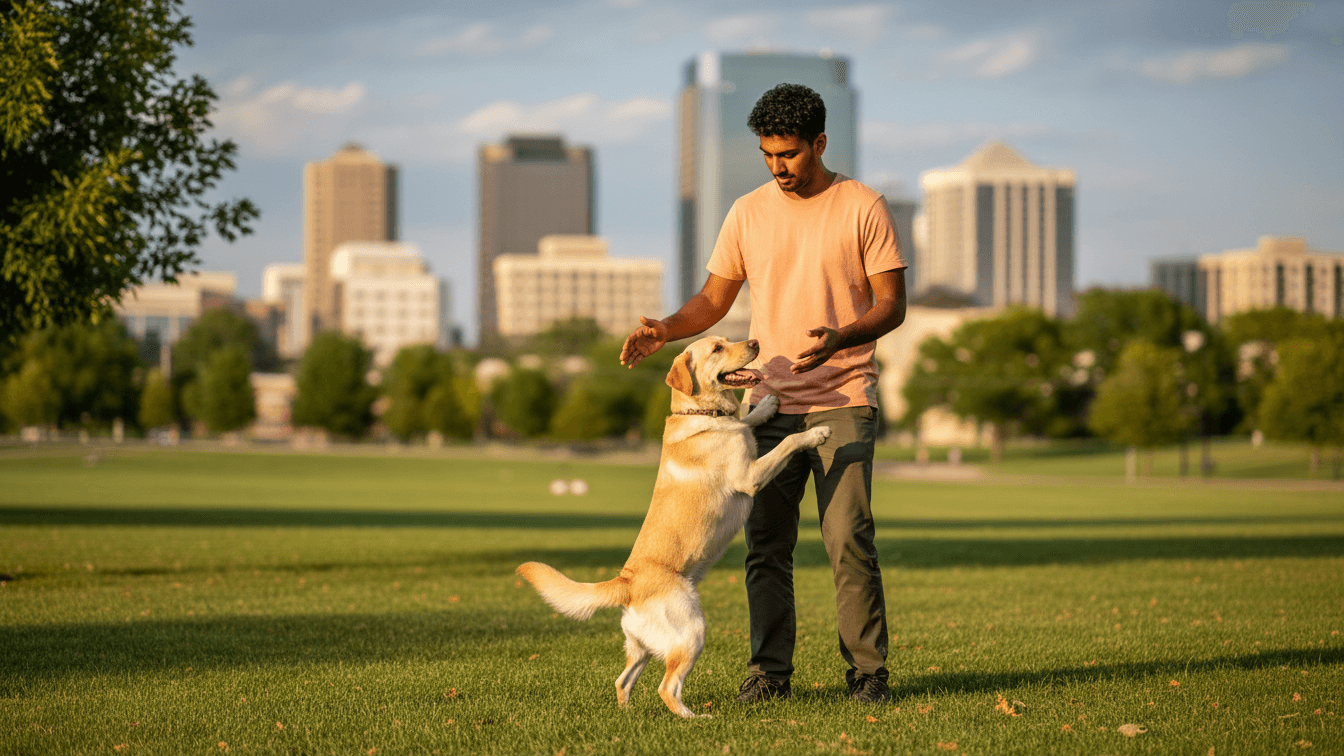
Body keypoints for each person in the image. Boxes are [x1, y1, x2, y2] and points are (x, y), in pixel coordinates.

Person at [619, 83, 907, 704]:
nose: (778, 167)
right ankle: (769, 676)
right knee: (766, 547)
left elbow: (892, 306)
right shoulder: (747, 212)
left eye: (791, 155)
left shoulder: (863, 206)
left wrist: (842, 338)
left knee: (848, 539)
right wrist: (666, 330)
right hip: (768, 405)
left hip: (844, 393)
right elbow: (714, 300)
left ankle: (867, 673)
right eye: (768, 155)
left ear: (820, 143)